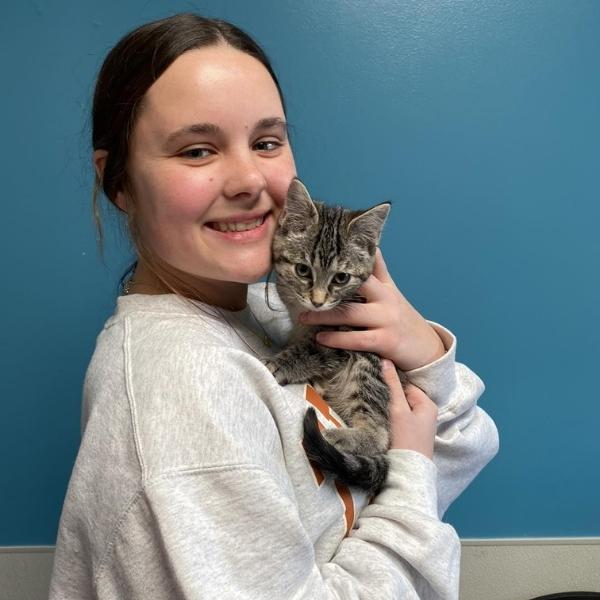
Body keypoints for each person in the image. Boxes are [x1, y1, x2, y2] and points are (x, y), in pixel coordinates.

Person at [49, 13, 499, 600]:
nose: (247, 179)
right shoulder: (181, 389)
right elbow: (431, 462)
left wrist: (422, 350)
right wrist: (411, 470)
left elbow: (469, 442)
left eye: (266, 142)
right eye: (196, 150)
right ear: (120, 182)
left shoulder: (264, 310)